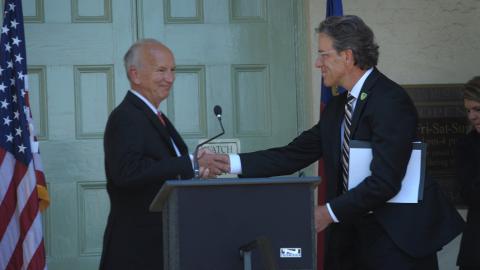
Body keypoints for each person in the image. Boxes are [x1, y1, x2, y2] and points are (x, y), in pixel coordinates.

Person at [208, 15, 464, 270]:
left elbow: (385, 181)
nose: (318, 63)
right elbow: (293, 154)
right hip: (351, 238)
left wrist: (327, 212)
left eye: (323, 54)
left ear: (348, 56)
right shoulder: (338, 108)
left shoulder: (390, 101)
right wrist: (228, 163)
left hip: (395, 241)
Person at [99, 39, 227, 270]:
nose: (170, 78)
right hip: (136, 251)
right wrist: (190, 163)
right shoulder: (126, 117)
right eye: (161, 70)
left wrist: (196, 173)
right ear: (135, 75)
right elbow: (127, 173)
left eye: (172, 70)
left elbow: (166, 173)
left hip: (164, 245)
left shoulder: (156, 117)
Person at [456, 76, 480, 270]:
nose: (472, 116)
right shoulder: (466, 145)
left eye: (477, 109)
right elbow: (470, 194)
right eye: (468, 110)